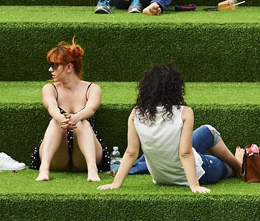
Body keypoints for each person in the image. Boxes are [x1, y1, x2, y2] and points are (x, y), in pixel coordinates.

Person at [98, 63, 243, 194]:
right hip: (198, 173)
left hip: (160, 177)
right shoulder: (185, 112)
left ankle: (238, 164)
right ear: (174, 88)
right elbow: (185, 153)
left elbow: (131, 153)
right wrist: (194, 185)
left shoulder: (136, 114)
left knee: (207, 131)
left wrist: (116, 183)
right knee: (223, 166)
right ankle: (239, 166)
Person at [32, 39, 110, 182]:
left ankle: (92, 171)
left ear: (69, 67)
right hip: (58, 154)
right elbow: (51, 107)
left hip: (85, 153)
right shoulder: (50, 88)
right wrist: (61, 118)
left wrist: (76, 118)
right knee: (55, 122)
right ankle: (44, 170)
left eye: (54, 65)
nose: (50, 70)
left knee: (83, 123)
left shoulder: (93, 88)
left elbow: (91, 108)